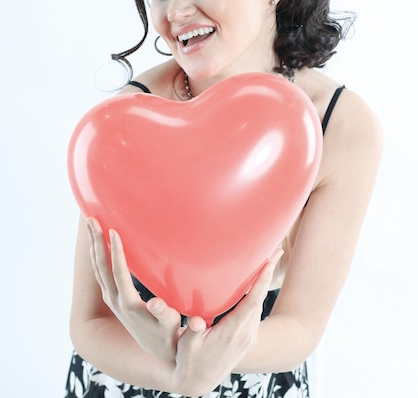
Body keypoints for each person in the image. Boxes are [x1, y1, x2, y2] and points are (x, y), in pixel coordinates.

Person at [65, 0, 383, 396]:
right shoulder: (122, 127)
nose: (175, 12)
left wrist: (188, 352)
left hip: (257, 381)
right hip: (125, 378)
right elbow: (89, 324)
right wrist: (177, 375)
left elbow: (300, 326)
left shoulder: (340, 127)